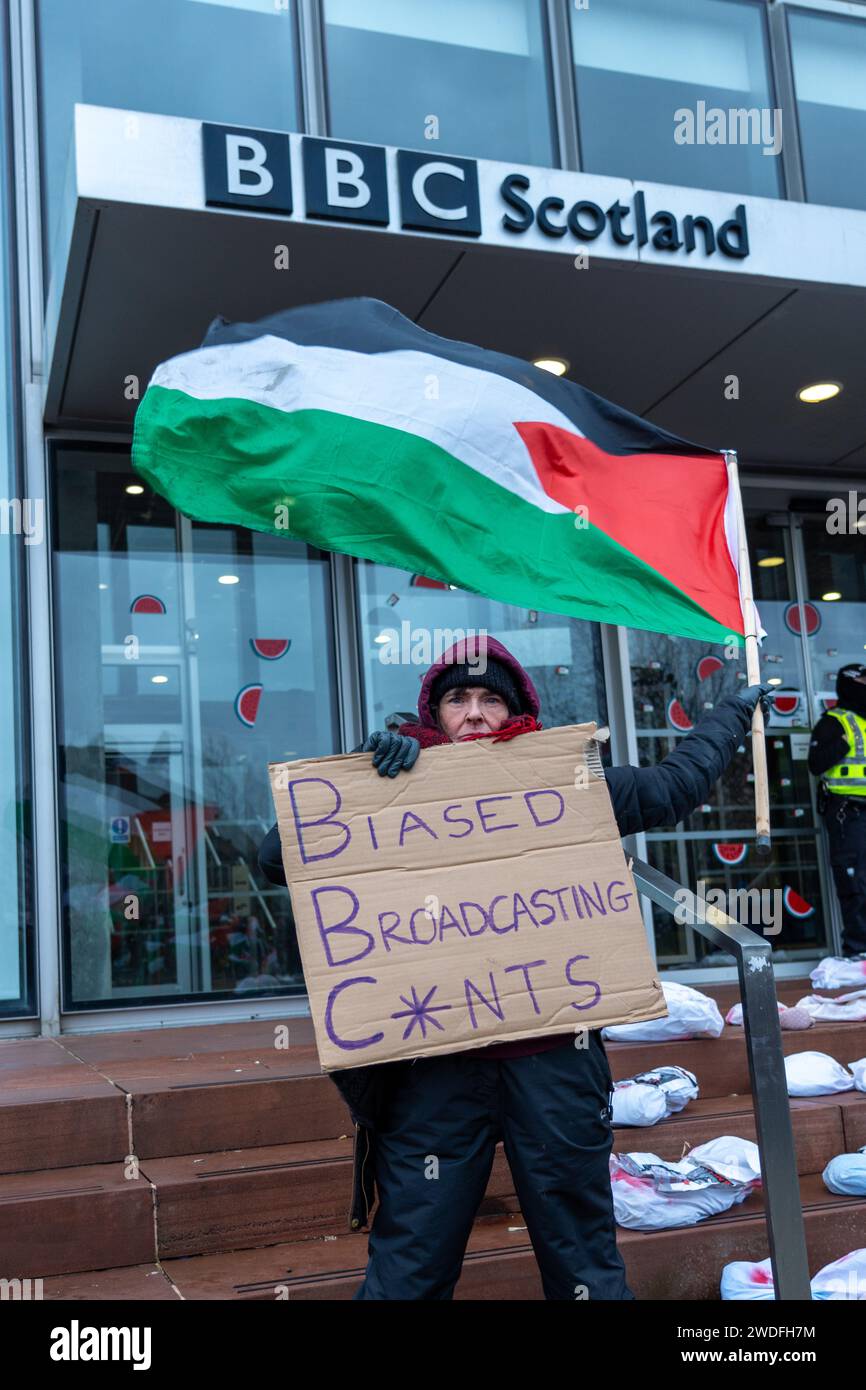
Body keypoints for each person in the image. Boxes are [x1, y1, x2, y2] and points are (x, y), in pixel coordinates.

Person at [258, 636, 771, 1300]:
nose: (474, 713)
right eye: (458, 699)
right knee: (410, 1259)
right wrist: (357, 775)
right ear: (433, 713)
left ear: (515, 709)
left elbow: (676, 785)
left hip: (555, 1063)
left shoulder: (568, 785)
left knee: (583, 1259)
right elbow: (277, 857)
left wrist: (730, 712)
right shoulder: (390, 785)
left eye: (490, 698)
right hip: (432, 1071)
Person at [808, 662, 866, 957]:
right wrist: (842, 745)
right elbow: (815, 763)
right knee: (854, 883)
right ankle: (858, 952)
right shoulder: (834, 721)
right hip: (848, 813)